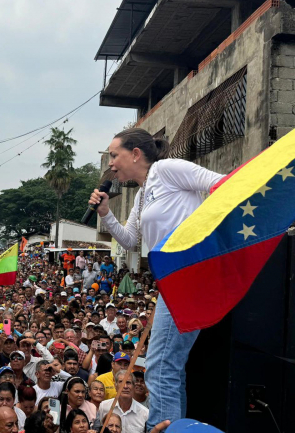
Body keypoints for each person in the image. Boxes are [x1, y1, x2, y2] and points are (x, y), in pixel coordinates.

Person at [89, 128, 224, 428]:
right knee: (168, 368)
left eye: (114, 155)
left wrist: (199, 241)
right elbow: (129, 240)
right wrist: (106, 213)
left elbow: (221, 186)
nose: (111, 164)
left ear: (135, 153)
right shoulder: (140, 195)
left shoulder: (167, 169)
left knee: (161, 369)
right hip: (170, 284)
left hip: (190, 275)